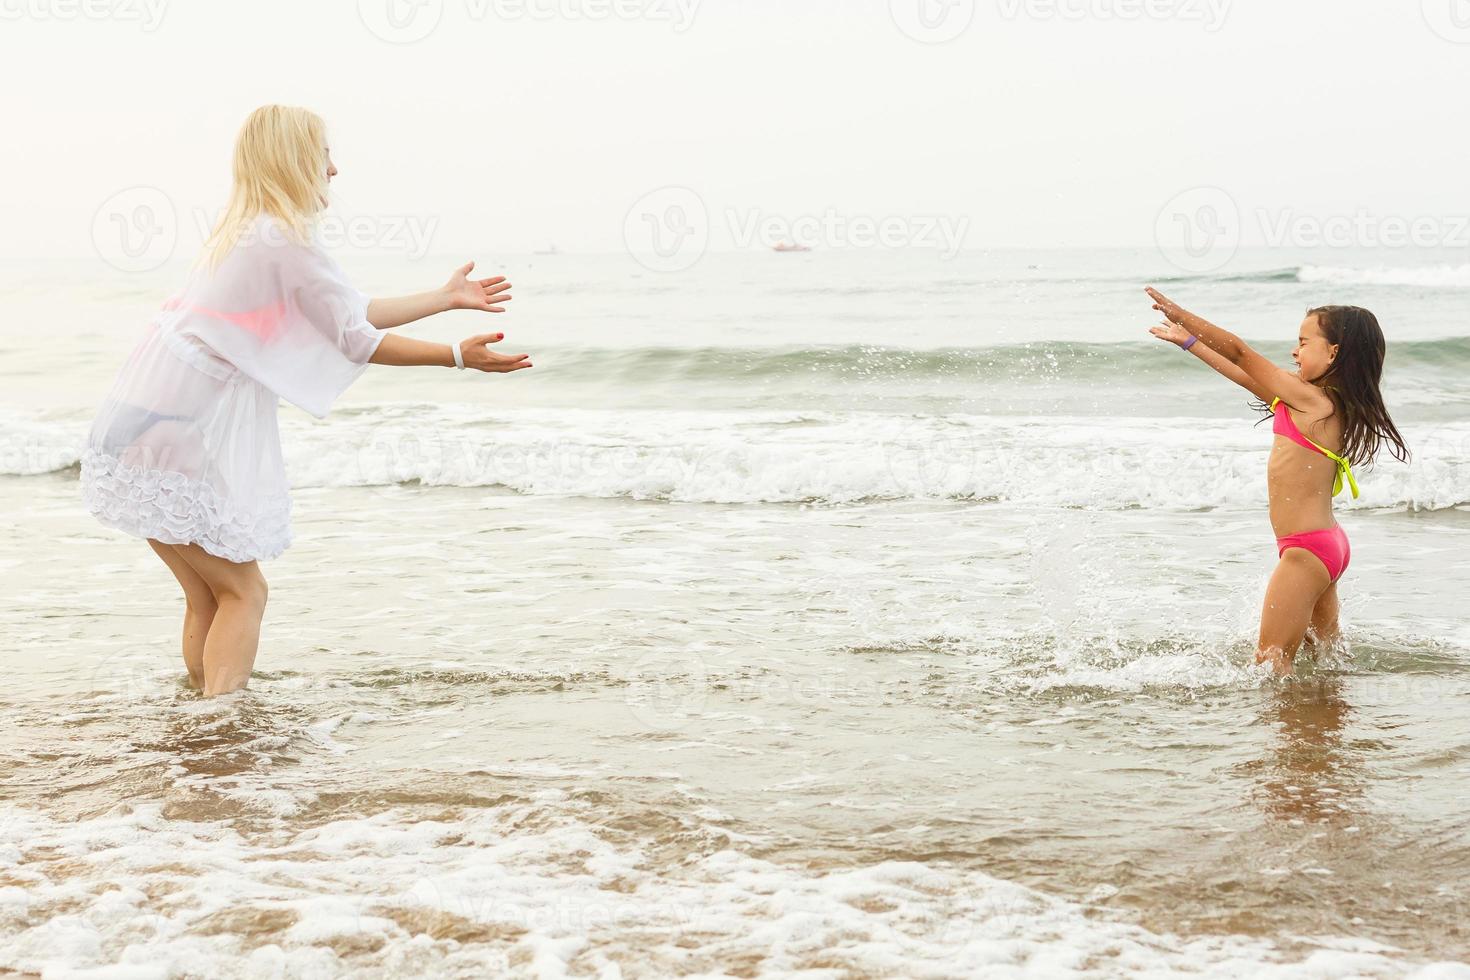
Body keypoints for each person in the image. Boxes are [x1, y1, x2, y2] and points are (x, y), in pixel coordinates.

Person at [79, 104, 532, 697]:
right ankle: (224, 727)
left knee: (209, 593)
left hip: (138, 425)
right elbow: (353, 338)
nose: (335, 170)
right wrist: (454, 356)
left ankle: (198, 725)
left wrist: (444, 298)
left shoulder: (250, 232)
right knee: (246, 591)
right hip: (165, 432)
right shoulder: (279, 242)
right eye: (324, 157)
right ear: (295, 161)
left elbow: (341, 313)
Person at [1144, 287, 1408, 675]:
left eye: (1303, 342)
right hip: (1326, 546)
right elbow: (1241, 373)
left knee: (1271, 662)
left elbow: (1239, 351)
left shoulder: (1312, 401)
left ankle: (1284, 734)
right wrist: (1188, 342)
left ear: (1334, 352)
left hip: (1306, 553)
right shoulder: (1318, 404)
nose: (1294, 351)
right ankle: (1329, 723)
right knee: (1328, 664)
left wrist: (1182, 315)